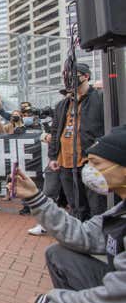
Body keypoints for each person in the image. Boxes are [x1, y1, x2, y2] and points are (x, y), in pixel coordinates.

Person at [13, 126, 126, 303]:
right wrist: (35, 198)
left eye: (97, 163)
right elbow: (82, 236)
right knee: (58, 254)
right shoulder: (119, 211)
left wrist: (50, 302)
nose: (89, 169)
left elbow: (121, 302)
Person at [49, 63, 104, 221]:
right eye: (65, 75)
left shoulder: (99, 98)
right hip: (66, 163)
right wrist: (53, 156)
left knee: (97, 206)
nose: (68, 78)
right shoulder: (62, 105)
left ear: (86, 76)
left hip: (91, 161)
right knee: (76, 206)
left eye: (72, 74)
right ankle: (79, 239)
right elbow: (55, 132)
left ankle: (97, 241)